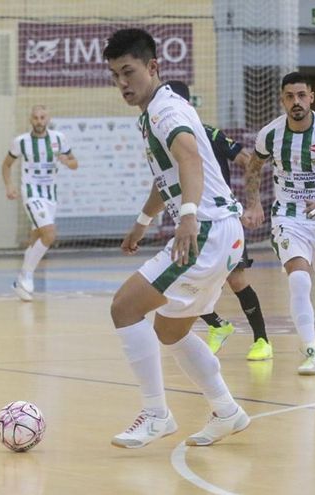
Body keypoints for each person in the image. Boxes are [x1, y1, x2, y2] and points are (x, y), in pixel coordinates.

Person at [103, 28, 250, 449]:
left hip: (204, 232)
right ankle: (227, 411)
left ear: (153, 67)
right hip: (221, 232)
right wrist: (144, 219)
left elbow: (188, 158)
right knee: (170, 331)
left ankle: (156, 414)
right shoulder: (157, 111)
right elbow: (168, 175)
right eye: (115, 75)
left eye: (128, 71)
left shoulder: (166, 112)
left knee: (124, 308)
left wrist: (186, 217)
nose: (122, 83)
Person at [242, 72, 315, 376]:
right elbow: (253, 168)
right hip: (288, 215)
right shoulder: (270, 134)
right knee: (299, 279)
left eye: (302, 96)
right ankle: (311, 353)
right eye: (290, 96)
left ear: (311, 97)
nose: (296, 102)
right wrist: (253, 202)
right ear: (282, 99)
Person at [166, 80, 272, 361]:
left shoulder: (210, 134)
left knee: (237, 280)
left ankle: (262, 340)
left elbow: (248, 161)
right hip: (191, 222)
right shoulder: (166, 138)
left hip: (221, 220)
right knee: (181, 282)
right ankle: (218, 325)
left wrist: (253, 201)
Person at [1, 105, 78, 301]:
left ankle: (21, 281)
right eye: (35, 117)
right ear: (30, 120)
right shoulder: (21, 142)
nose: (39, 121)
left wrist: (67, 161)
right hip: (31, 192)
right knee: (50, 234)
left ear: (48, 119)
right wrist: (9, 185)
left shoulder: (59, 139)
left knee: (37, 236)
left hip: (50, 195)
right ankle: (26, 276)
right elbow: (6, 164)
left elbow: (74, 163)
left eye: (42, 117)